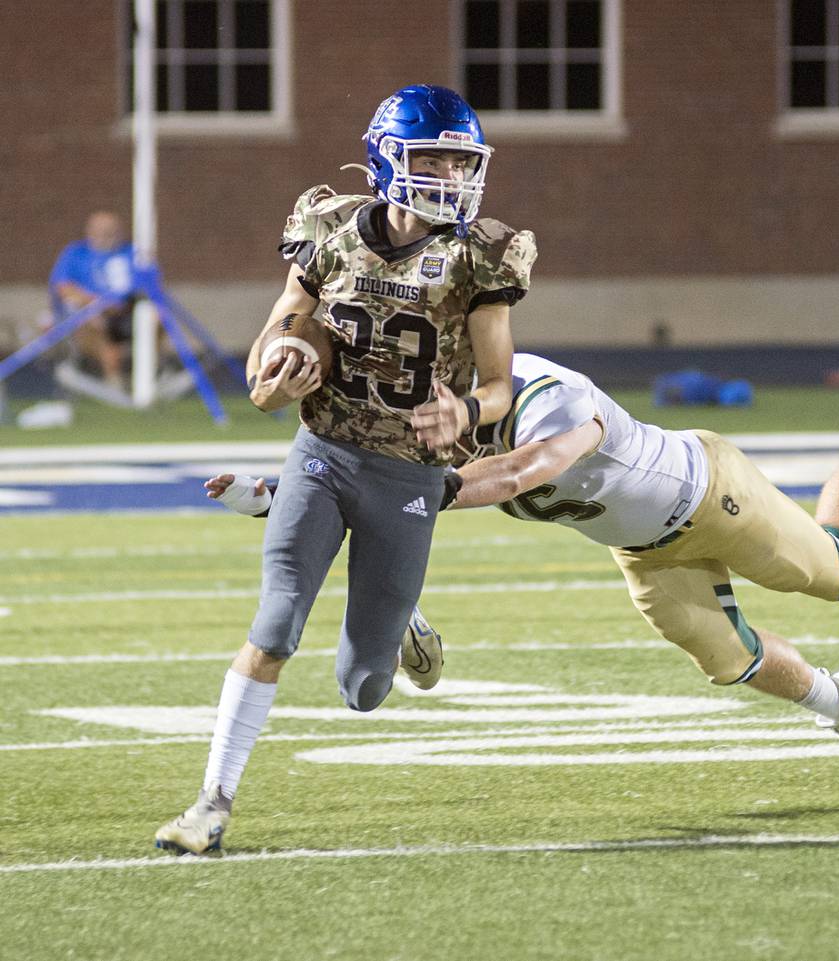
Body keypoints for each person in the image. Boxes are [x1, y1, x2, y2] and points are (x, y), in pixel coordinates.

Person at [204, 351, 839, 797]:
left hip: (711, 493)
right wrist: (268, 498)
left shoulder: (547, 391)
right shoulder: (430, 425)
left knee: (836, 574)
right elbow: (356, 494)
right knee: (730, 659)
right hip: (643, 550)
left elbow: (529, 467)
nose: (425, 404)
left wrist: (419, 491)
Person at [154, 83, 536, 855]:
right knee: (274, 622)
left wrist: (466, 412)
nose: (450, 177)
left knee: (363, 690)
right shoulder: (329, 228)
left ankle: (401, 622)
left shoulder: (477, 255)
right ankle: (211, 803)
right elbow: (274, 336)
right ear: (387, 158)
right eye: (431, 158)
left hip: (409, 473)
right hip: (323, 454)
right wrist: (277, 369)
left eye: (460, 162)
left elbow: (501, 384)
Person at [48, 211, 138, 389]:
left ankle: (151, 373)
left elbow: (146, 285)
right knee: (92, 322)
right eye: (100, 231)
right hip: (92, 314)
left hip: (126, 312)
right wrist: (96, 303)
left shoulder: (130, 253)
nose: (105, 235)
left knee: (154, 318)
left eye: (110, 231)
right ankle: (114, 378)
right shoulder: (75, 253)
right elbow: (63, 287)